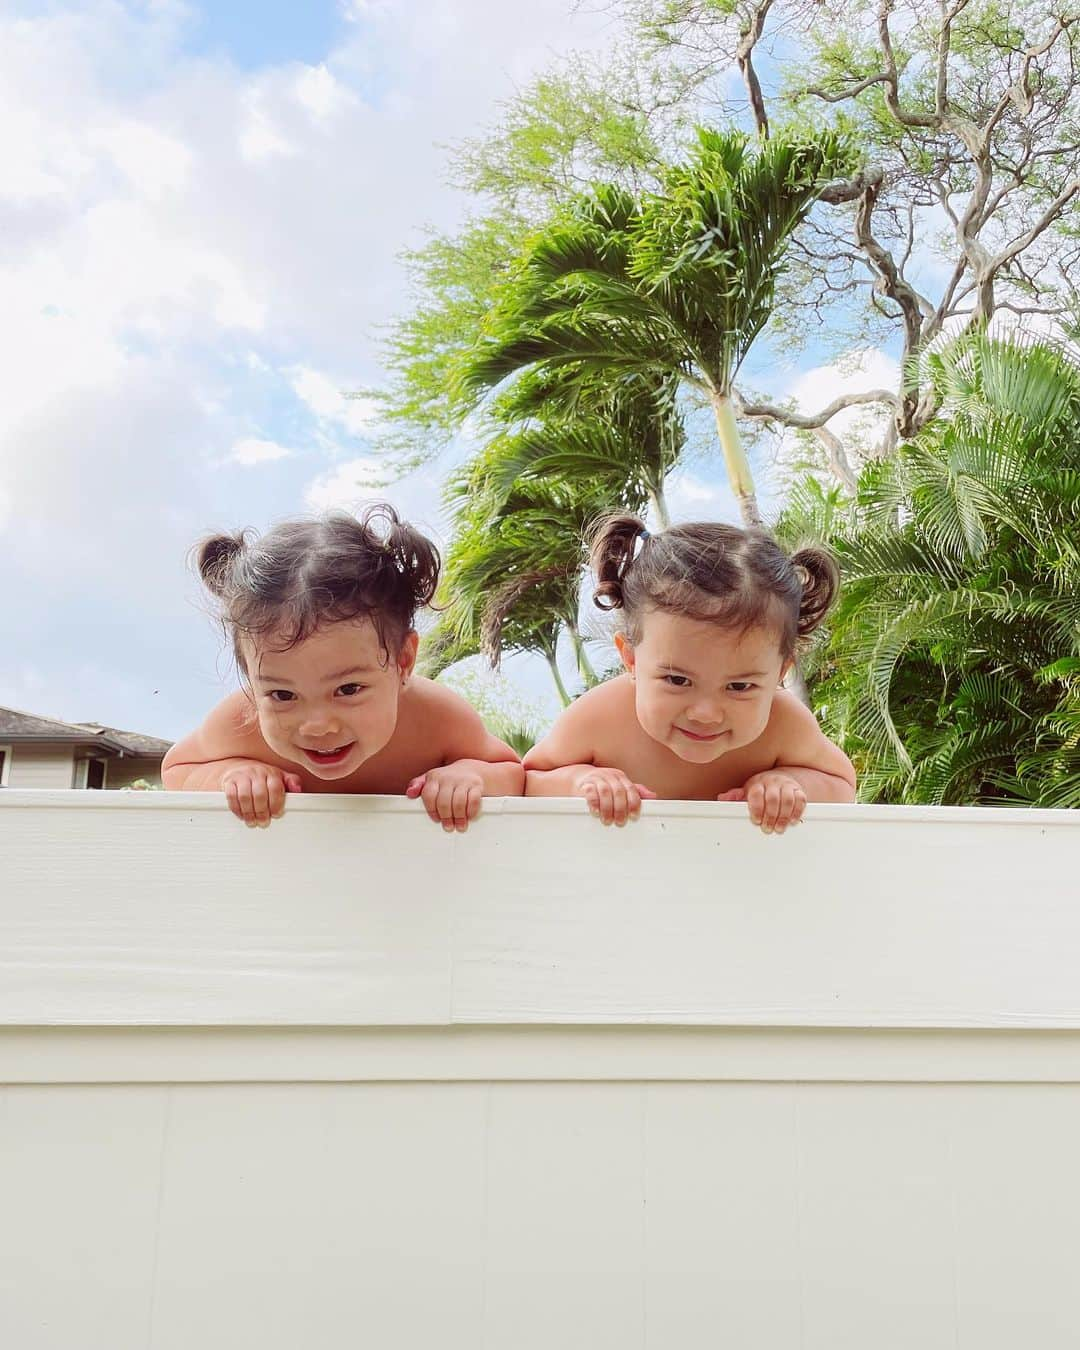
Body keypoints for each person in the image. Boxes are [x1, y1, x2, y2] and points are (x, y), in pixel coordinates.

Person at [162, 505, 523, 830]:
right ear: (251, 682)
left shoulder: (434, 717)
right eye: (282, 694)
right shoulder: (241, 723)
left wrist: (469, 775)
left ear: (403, 662)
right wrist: (231, 774)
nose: (318, 725)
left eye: (348, 689)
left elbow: (511, 773)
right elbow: (177, 770)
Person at [524, 515, 856, 833]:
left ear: (781, 672)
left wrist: (790, 783)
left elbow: (841, 786)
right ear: (631, 658)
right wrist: (580, 782)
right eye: (677, 680)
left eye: (740, 686)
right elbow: (530, 781)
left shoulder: (784, 723)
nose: (706, 713)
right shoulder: (602, 717)